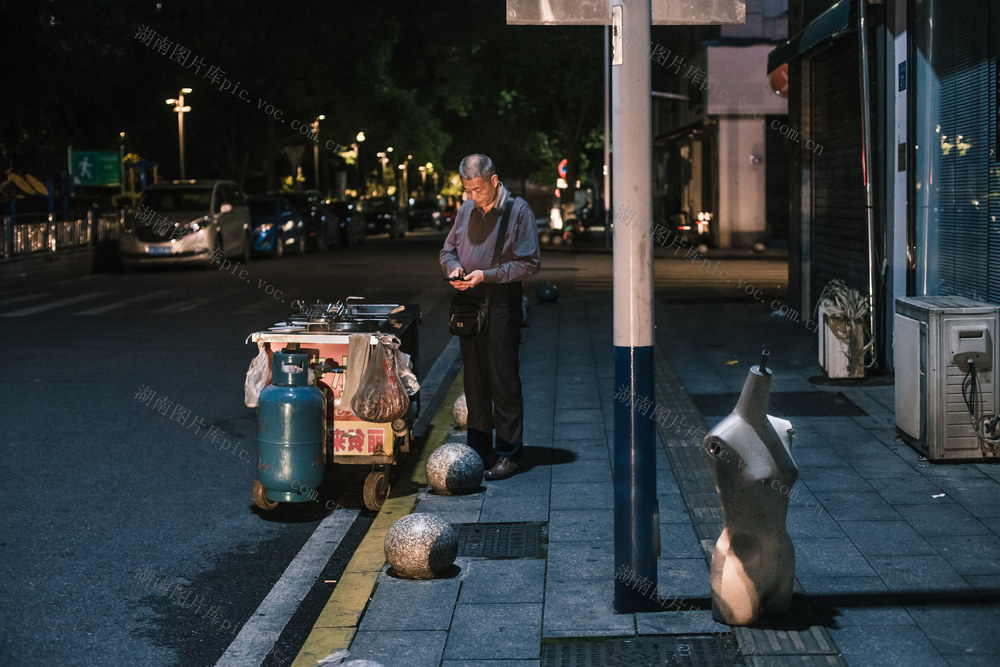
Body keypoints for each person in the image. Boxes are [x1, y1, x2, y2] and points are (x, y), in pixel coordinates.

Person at [440, 154, 541, 480]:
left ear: (494, 181)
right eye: (468, 190)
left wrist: (488, 275)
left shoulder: (517, 211)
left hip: (501, 301)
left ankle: (510, 454)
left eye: (478, 189)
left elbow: (529, 262)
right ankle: (478, 450)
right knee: (474, 380)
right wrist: (453, 267)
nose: (473, 196)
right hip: (469, 301)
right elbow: (448, 250)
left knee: (503, 379)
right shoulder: (467, 209)